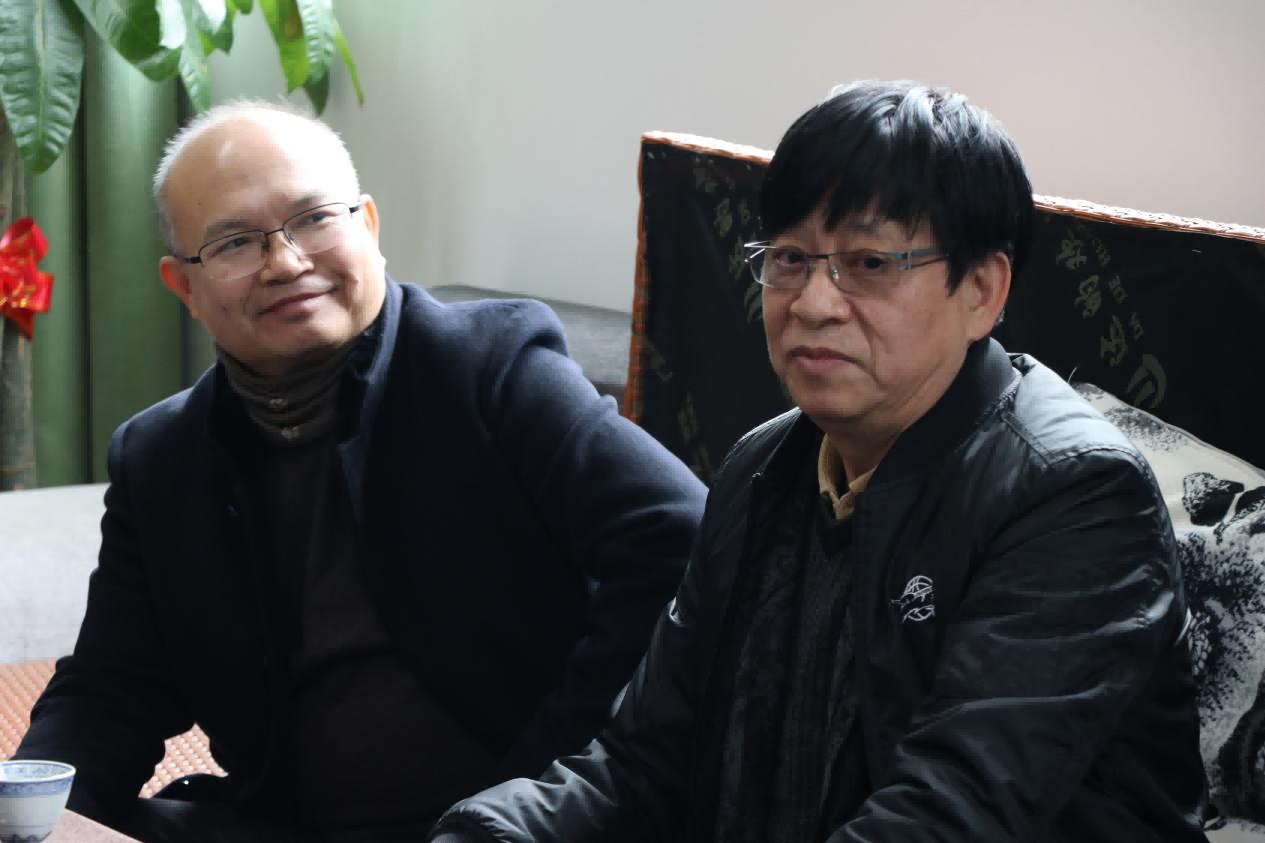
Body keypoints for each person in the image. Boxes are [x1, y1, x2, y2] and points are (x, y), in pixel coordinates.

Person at [427, 80, 1209, 842]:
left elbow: (950, 811)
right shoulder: (761, 467)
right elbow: (640, 762)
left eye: (868, 263)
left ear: (980, 289)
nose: (811, 302)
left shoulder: (1072, 492)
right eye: (790, 258)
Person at [14, 100, 707, 842]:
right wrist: (24, 818)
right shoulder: (159, 457)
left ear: (368, 227)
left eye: (315, 218)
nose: (287, 262)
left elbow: (679, 535)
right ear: (183, 286)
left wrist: (543, 784)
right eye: (236, 241)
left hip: (514, 822)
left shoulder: (490, 367)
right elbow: (112, 689)